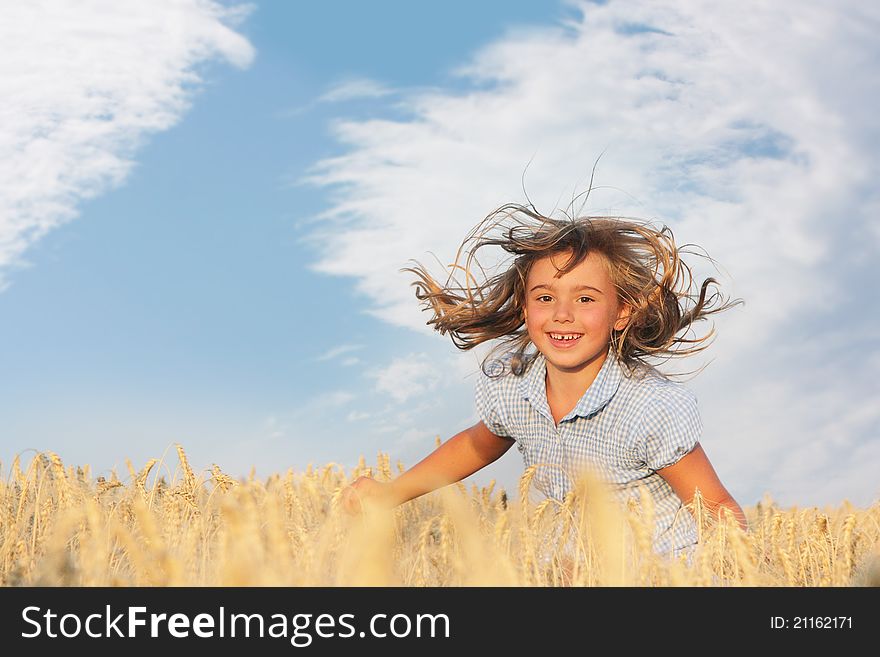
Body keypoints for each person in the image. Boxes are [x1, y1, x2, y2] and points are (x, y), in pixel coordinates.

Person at [341, 202, 748, 558]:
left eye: (585, 298)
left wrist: (736, 574)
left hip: (661, 574)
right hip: (573, 570)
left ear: (622, 312)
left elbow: (714, 506)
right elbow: (476, 444)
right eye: (545, 297)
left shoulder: (649, 407)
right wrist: (389, 494)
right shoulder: (514, 385)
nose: (562, 314)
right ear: (524, 307)